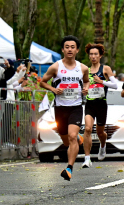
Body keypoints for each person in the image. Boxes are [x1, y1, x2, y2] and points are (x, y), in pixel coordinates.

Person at [39, 36, 90, 181]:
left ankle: (69, 168)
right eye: (67, 47)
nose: (70, 49)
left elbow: (86, 82)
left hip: (76, 107)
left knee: (72, 137)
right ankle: (77, 139)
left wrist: (85, 89)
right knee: (66, 141)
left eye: (72, 47)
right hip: (60, 108)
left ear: (77, 50)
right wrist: (53, 90)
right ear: (62, 49)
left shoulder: (83, 68)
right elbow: (42, 82)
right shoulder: (56, 67)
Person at [81, 44, 119, 168]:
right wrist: (84, 90)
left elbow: (116, 85)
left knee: (100, 132)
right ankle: (87, 158)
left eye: (95, 54)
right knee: (87, 129)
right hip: (90, 104)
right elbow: (84, 86)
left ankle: (103, 145)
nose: (93, 56)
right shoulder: (85, 70)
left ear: (100, 55)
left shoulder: (105, 69)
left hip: (101, 104)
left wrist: (102, 81)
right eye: (91, 54)